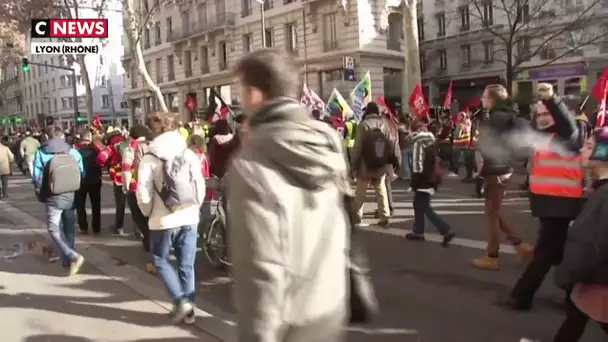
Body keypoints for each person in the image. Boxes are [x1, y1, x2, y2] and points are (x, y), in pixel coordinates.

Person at [227, 48, 349, 342]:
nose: (240, 101)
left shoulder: (252, 163)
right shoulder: (327, 140)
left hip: (288, 325)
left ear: (255, 95)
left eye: (241, 92)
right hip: (330, 312)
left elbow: (261, 270)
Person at [503, 83, 584, 310]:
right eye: (539, 114)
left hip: (561, 205)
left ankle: (521, 296)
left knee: (545, 254)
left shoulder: (569, 135)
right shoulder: (544, 137)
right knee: (560, 253)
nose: (542, 118)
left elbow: (566, 122)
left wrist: (551, 98)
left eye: (547, 114)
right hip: (551, 205)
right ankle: (576, 297)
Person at [136, 112, 205, 324]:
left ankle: (179, 300)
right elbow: (199, 186)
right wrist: (195, 208)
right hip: (190, 216)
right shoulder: (189, 154)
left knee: (160, 259)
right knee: (187, 265)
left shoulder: (149, 157)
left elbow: (143, 192)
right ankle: (190, 312)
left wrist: (148, 213)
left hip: (162, 219)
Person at [549, 127, 608, 341]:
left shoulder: (604, 195)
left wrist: (566, 275)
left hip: (598, 280)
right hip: (594, 279)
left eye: (590, 146)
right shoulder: (599, 190)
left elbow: (589, 244)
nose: (582, 149)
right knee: (575, 318)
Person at [473, 84, 533, 270]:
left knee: (492, 214)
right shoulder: (509, 115)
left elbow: (488, 150)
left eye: (484, 96)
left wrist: (481, 174)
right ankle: (519, 246)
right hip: (506, 168)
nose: (482, 99)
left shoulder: (495, 119)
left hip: (495, 171)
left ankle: (493, 256)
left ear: (492, 99)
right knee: (493, 212)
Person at [32, 126, 85, 275]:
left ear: (47, 137)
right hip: (71, 194)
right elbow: (82, 172)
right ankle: (68, 259)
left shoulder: (42, 153)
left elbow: (36, 177)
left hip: (52, 197)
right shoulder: (73, 152)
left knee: (54, 229)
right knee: (69, 228)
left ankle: (72, 256)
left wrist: (40, 193)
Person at [404, 119, 456, 245]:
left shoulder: (418, 143)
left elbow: (417, 165)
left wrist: (413, 183)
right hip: (430, 178)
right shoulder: (430, 141)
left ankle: (445, 230)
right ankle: (418, 231)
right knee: (419, 204)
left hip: (422, 179)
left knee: (424, 207)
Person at [350, 102, 401, 227]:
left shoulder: (363, 125)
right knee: (381, 190)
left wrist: (352, 166)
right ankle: (384, 216)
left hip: (365, 165)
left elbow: (357, 148)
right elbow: (392, 143)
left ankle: (357, 217)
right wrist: (395, 162)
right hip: (380, 164)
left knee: (360, 192)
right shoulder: (384, 124)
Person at [122, 125, 151, 245]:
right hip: (153, 185)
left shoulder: (130, 148)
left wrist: (126, 186)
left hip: (136, 187)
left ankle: (149, 240)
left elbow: (126, 170)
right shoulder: (152, 144)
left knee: (139, 216)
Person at [97, 129, 128, 235]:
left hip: (118, 179)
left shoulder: (111, 147)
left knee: (120, 204)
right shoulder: (127, 144)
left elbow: (101, 158)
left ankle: (119, 227)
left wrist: (106, 164)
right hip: (132, 177)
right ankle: (139, 231)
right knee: (135, 206)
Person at [74, 129, 103, 235]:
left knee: (80, 205)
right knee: (96, 205)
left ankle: (83, 227)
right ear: (89, 138)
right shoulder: (96, 150)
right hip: (95, 180)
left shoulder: (76, 151)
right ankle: (96, 227)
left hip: (80, 181)